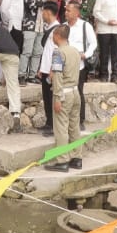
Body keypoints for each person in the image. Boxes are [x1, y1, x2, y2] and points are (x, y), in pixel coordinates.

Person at [44, 24, 84, 172]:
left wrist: (57, 98)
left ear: (57, 36)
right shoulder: (75, 51)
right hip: (75, 92)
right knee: (74, 127)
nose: (52, 38)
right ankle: (76, 158)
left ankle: (62, 161)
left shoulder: (58, 53)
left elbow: (58, 77)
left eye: (53, 35)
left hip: (64, 94)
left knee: (61, 128)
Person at [64, 0, 96, 125]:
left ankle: (80, 120)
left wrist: (85, 55)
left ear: (76, 13)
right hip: (65, 65)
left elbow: (93, 43)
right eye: (65, 10)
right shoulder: (63, 26)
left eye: (68, 10)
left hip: (79, 65)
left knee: (78, 91)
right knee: (66, 92)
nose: (66, 13)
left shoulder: (85, 26)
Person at [20, 0, 49, 83]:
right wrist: (45, 1)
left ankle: (32, 75)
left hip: (42, 25)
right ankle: (21, 75)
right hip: (30, 24)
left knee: (37, 52)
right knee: (26, 51)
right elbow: (30, 4)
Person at [36, 0, 60, 136]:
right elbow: (47, 51)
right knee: (46, 98)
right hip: (46, 69)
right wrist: (42, 68)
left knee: (52, 98)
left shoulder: (57, 29)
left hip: (51, 71)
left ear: (48, 12)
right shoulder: (50, 28)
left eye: (43, 12)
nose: (42, 14)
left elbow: (57, 51)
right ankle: (49, 123)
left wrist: (52, 70)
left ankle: (53, 126)